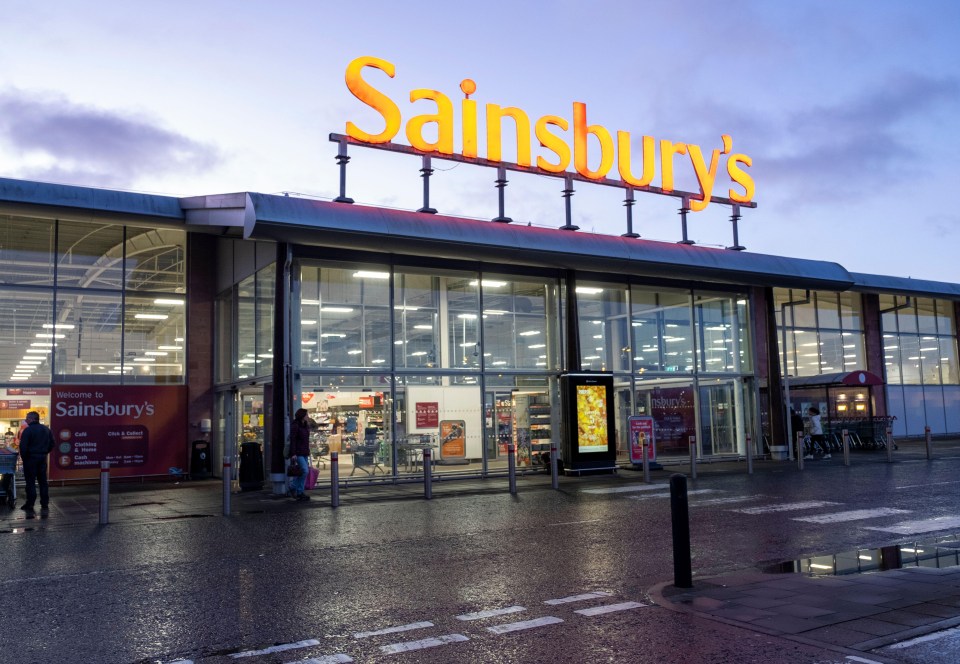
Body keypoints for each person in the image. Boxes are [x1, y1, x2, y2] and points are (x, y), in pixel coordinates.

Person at [18, 411, 55, 513]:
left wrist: (25, 459)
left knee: (30, 482)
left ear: (31, 419)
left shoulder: (28, 431)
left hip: (30, 459)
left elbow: (23, 447)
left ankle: (30, 504)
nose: (26, 420)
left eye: (27, 418)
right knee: (43, 482)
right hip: (42, 458)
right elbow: (52, 443)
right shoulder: (47, 430)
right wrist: (44, 452)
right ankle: (44, 503)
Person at [287, 408, 311, 502]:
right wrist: (293, 453)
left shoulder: (305, 425)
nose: (307, 416)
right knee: (305, 471)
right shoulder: (295, 425)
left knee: (302, 472)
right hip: (298, 452)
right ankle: (293, 487)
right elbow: (293, 440)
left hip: (304, 452)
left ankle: (300, 492)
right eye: (306, 415)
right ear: (302, 416)